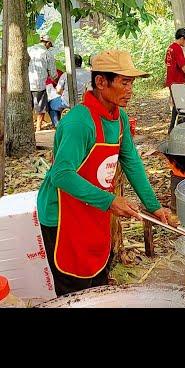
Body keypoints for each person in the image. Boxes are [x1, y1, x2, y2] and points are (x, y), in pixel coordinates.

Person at [36, 50, 173, 297]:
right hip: (62, 214)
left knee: (98, 281)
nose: (131, 89)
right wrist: (109, 201)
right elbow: (61, 174)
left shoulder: (119, 117)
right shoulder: (79, 122)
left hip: (92, 208)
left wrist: (153, 206)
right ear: (101, 82)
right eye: (124, 82)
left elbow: (131, 161)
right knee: (74, 291)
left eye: (132, 83)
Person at [28, 34, 57, 131]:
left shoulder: (29, 49)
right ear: (48, 43)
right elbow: (53, 74)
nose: (49, 47)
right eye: (50, 45)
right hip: (39, 85)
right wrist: (55, 79)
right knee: (41, 108)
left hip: (27, 84)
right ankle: (38, 128)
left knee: (28, 107)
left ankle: (29, 128)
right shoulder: (48, 54)